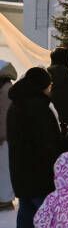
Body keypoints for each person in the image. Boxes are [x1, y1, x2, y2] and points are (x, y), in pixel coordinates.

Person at [8, 67, 63, 228]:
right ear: (42, 85)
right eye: (49, 84)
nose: (50, 88)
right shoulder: (40, 107)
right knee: (57, 221)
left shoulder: (16, 105)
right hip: (41, 173)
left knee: (25, 218)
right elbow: (47, 143)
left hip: (21, 172)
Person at [0, 60, 17, 211]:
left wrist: (2, 134)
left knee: (4, 168)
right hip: (5, 135)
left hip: (4, 137)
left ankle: (5, 199)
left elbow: (4, 115)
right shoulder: (6, 88)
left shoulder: (5, 90)